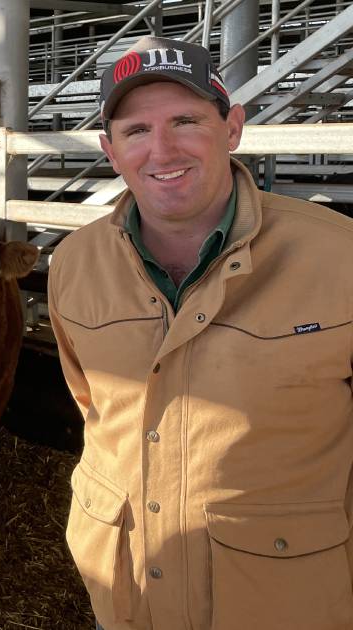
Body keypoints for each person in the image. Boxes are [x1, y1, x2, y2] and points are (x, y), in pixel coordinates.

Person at [48, 35, 353, 630]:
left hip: (281, 600)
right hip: (126, 586)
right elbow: (91, 403)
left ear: (232, 128)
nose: (161, 149)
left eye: (185, 120)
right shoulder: (73, 264)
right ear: (111, 151)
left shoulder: (337, 257)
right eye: (136, 130)